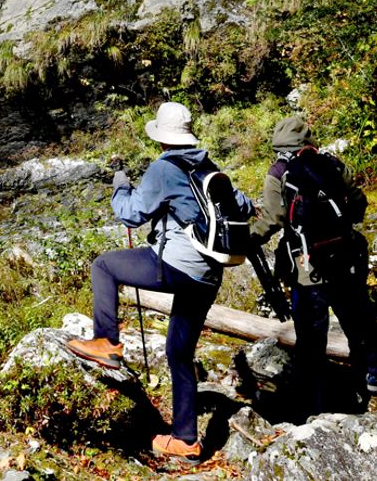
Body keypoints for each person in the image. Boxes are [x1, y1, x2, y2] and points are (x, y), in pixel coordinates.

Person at [66, 100, 252, 460]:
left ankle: (106, 342)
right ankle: (185, 440)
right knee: (179, 353)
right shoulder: (208, 167)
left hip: (175, 267)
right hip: (208, 276)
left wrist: (120, 186)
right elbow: (243, 205)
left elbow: (132, 215)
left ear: (162, 138)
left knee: (103, 266)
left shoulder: (163, 168)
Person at [249, 114, 377, 419]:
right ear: (308, 141)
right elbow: (358, 205)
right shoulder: (333, 164)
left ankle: (315, 404)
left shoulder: (278, 172)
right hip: (346, 259)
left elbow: (273, 219)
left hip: (307, 268)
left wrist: (247, 237)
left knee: (311, 337)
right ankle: (373, 376)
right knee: (358, 319)